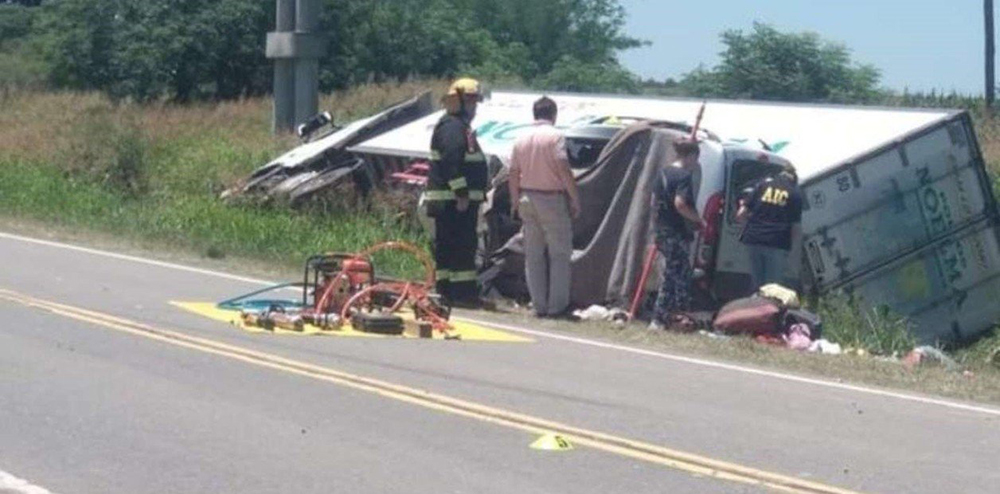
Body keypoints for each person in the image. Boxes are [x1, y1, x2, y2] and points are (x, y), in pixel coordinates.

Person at [508, 96, 581, 318]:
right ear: (554, 114)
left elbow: (513, 172)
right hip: (551, 198)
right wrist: (574, 197)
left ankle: (538, 304)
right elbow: (563, 167)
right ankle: (556, 306)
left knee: (533, 255)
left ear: (534, 113)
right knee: (560, 254)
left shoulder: (520, 138)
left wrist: (514, 200)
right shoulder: (555, 136)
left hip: (527, 197)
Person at [422, 78, 491, 308]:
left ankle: (447, 292)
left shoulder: (457, 126)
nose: (474, 107)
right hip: (454, 202)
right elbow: (451, 162)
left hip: (453, 201)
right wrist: (461, 192)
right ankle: (462, 294)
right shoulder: (453, 128)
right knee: (462, 247)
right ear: (458, 101)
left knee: (450, 247)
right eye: (471, 101)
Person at [649, 138, 705, 331]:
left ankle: (675, 316)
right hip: (676, 231)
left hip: (662, 230)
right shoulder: (683, 176)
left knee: (679, 274)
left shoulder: (662, 173)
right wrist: (698, 220)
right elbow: (680, 204)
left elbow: (653, 202)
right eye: (696, 158)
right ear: (691, 156)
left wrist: (657, 225)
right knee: (673, 276)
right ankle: (661, 317)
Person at [736, 163, 803, 292]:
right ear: (793, 178)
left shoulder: (761, 186)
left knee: (756, 284)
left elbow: (740, 214)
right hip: (776, 242)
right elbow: (795, 228)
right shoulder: (795, 194)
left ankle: (755, 302)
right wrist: (792, 252)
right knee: (772, 287)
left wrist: (749, 227)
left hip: (754, 239)